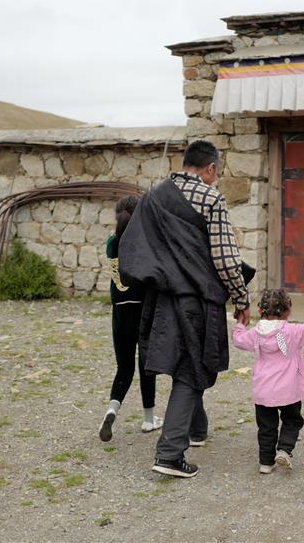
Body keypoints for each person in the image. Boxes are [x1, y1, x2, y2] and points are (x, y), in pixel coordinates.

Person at [119, 140, 250, 478]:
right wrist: (241, 298)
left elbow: (133, 247)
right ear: (211, 169)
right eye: (215, 173)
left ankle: (196, 430)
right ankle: (169, 454)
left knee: (186, 363)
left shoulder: (153, 197)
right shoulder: (211, 197)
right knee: (193, 368)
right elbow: (224, 258)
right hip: (197, 297)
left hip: (162, 297)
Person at [232, 290, 304, 474]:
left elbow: (238, 340)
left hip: (263, 390)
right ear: (288, 310)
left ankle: (265, 462)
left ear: (260, 310)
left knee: (266, 427)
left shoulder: (255, 333)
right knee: (292, 420)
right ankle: (284, 449)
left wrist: (240, 324)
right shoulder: (293, 332)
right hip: (289, 389)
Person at [99, 195, 163, 442]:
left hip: (120, 311)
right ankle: (149, 419)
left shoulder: (111, 243)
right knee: (147, 365)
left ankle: (111, 410)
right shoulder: (144, 244)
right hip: (142, 310)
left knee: (124, 367)